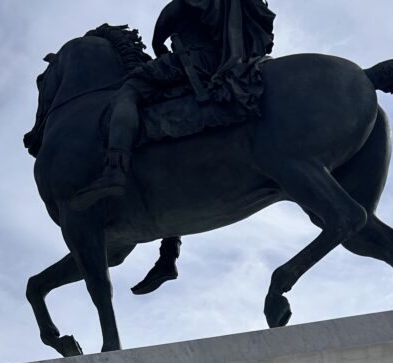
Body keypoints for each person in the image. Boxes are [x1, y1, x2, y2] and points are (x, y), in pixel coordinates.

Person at [71, 0, 276, 210]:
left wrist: (162, 49)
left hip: (193, 61)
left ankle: (115, 168)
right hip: (221, 60)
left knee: (129, 91)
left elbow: (159, 39)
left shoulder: (184, 3)